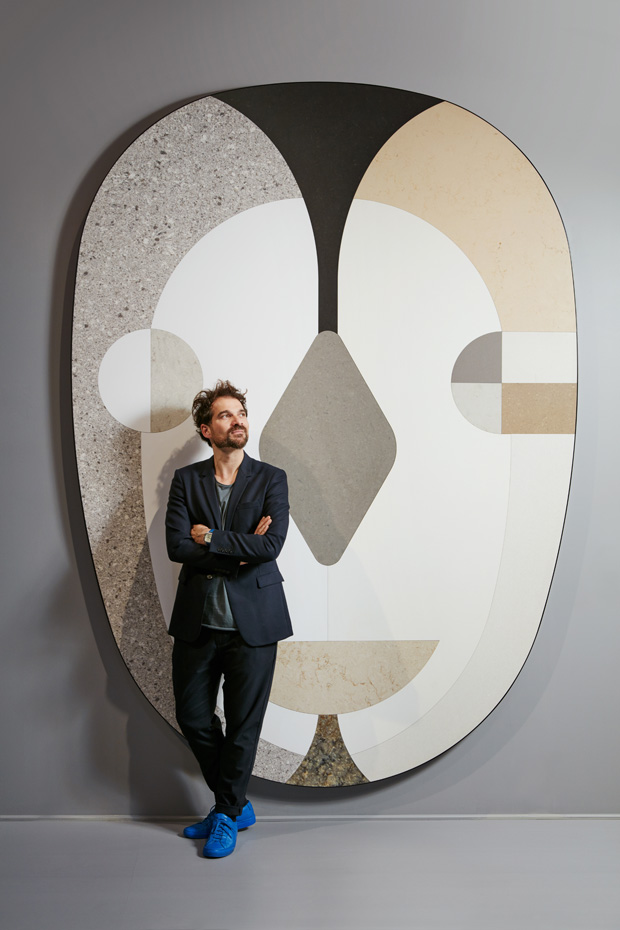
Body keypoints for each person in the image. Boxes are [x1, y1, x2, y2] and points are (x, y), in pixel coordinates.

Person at [165, 380, 292, 858]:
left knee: (243, 725)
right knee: (194, 718)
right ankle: (234, 805)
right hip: (198, 623)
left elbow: (271, 545)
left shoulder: (271, 478)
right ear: (206, 429)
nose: (236, 420)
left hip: (253, 624)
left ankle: (224, 814)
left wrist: (212, 538)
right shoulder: (186, 481)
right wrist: (240, 550)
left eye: (240, 413)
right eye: (224, 414)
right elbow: (176, 546)